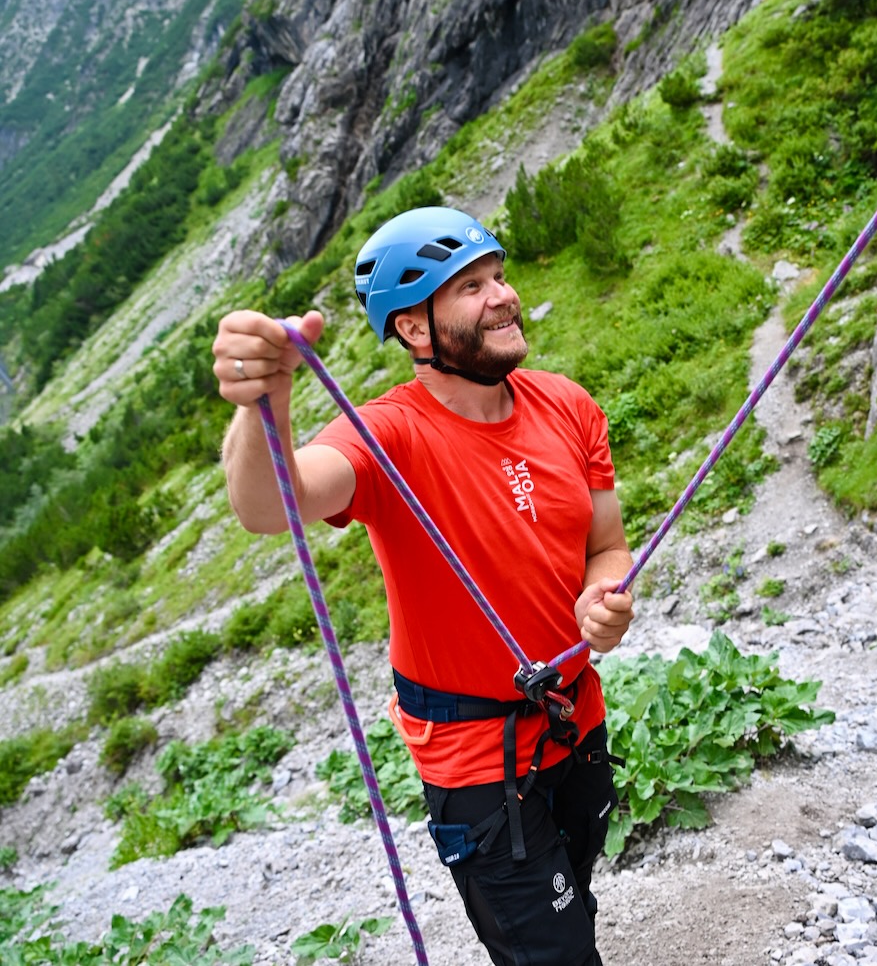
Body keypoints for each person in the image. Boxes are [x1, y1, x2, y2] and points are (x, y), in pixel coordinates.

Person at [212, 205, 635, 966]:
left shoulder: (569, 405)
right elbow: (271, 506)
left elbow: (606, 546)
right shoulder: (389, 434)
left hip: (576, 720)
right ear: (413, 328)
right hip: (477, 761)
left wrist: (604, 597)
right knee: (556, 953)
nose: (503, 295)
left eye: (499, 275)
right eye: (471, 286)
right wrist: (261, 402)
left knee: (575, 899)